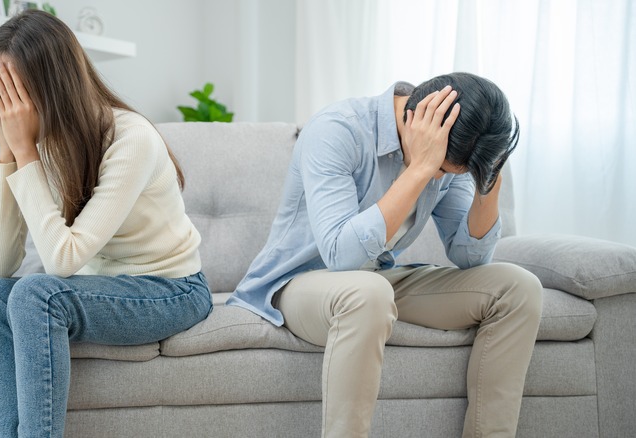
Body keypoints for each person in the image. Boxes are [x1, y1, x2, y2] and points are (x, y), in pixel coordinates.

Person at [228, 72, 543, 437]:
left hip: (376, 280)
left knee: (519, 287)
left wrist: (488, 182)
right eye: (441, 170)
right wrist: (423, 168)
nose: (441, 178)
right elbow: (340, 256)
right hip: (296, 282)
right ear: (416, 122)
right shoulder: (337, 130)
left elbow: (470, 257)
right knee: (368, 292)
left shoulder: (453, 154)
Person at [0, 10, 212, 438]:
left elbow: (63, 260)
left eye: (13, 93)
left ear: (51, 86)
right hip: (102, 288)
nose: (7, 108)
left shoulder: (130, 138)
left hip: (171, 289)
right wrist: (7, 151)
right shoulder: (42, 145)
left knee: (36, 294)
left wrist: (23, 150)